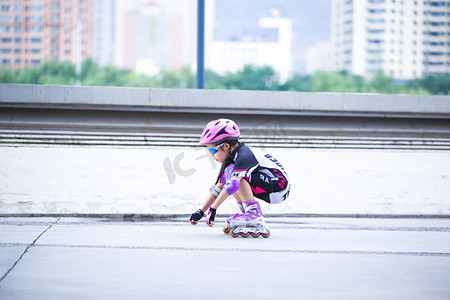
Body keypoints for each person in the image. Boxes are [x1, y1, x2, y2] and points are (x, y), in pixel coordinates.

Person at [189, 118, 290, 237]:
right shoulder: (232, 158)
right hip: (269, 183)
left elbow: (233, 186)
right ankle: (247, 212)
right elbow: (219, 187)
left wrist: (214, 209)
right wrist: (201, 212)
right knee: (228, 175)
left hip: (278, 186)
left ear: (226, 146)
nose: (211, 154)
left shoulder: (243, 155)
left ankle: (253, 214)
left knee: (233, 176)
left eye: (212, 149)